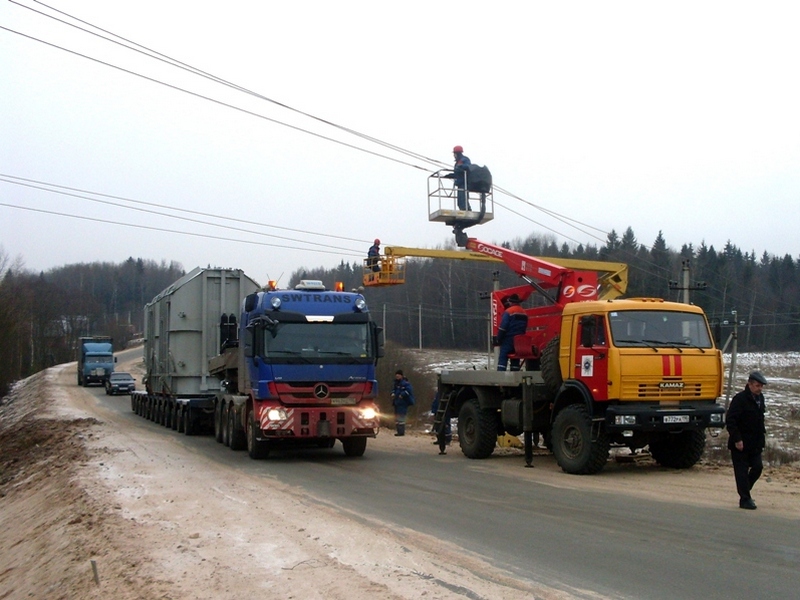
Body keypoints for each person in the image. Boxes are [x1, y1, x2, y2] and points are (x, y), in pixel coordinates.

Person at [726, 370, 768, 510]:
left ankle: (745, 491)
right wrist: (737, 439)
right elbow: (731, 420)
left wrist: (762, 440)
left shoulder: (760, 399)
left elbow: (759, 421)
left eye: (761, 386)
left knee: (758, 467)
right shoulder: (740, 399)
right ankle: (745, 499)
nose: (759, 388)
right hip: (740, 443)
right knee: (742, 472)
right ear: (749, 384)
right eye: (757, 385)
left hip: (755, 443)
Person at [494, 294, 528, 371]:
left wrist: (498, 339)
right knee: (515, 359)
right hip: (519, 340)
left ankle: (501, 375)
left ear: (511, 302)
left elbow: (503, 327)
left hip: (509, 339)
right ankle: (515, 375)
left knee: (503, 357)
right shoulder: (524, 313)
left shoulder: (509, 311)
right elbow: (524, 326)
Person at [390, 369, 415, 436]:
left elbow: (409, 391)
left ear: (401, 375)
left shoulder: (405, 383)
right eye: (396, 375)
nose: (397, 376)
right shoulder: (396, 383)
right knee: (397, 417)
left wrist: (402, 394)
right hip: (396, 402)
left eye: (398, 375)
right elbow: (393, 389)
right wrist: (392, 393)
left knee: (401, 417)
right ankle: (398, 431)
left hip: (403, 403)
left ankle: (401, 432)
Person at [451, 145, 472, 210]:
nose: (454, 155)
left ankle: (468, 211)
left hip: (464, 183)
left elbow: (468, 167)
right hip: (460, 184)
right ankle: (464, 210)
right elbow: (457, 173)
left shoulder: (465, 159)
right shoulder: (457, 163)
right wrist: (450, 175)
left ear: (457, 153)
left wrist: (461, 167)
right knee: (460, 202)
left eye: (454, 154)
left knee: (463, 201)